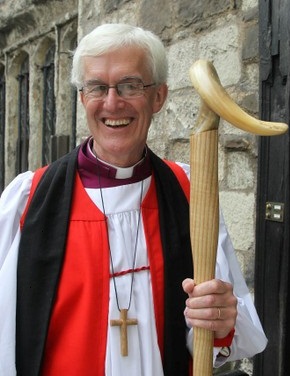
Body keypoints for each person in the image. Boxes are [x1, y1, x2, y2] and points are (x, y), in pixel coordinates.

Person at [0, 23, 267, 376]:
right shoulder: (27, 200)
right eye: (97, 87)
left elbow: (228, 331)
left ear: (158, 97)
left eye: (130, 85)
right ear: (82, 98)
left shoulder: (188, 189)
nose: (112, 102)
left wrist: (219, 318)